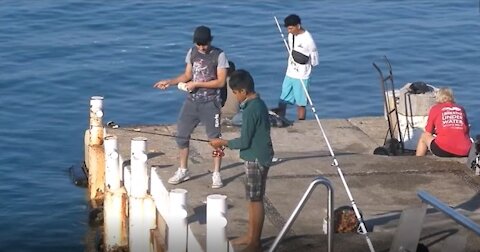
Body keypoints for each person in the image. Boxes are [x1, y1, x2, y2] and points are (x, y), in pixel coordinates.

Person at [153, 25, 229, 188]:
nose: (202, 48)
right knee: (181, 135)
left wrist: (197, 83)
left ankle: (216, 173)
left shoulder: (219, 55)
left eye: (205, 44)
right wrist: (171, 82)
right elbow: (187, 75)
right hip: (192, 101)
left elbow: (221, 81)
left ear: (210, 41)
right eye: (199, 44)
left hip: (211, 103)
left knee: (215, 139)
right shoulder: (192, 52)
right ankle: (183, 169)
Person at [210, 69, 274, 252]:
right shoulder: (258, 104)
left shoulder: (250, 110)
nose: (235, 96)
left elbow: (244, 141)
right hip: (258, 155)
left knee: (256, 200)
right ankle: (250, 236)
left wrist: (223, 142)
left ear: (243, 91)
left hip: (256, 157)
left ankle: (255, 242)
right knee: (252, 199)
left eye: (236, 93)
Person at [274, 14, 318, 120]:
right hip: (290, 72)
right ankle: (281, 119)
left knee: (301, 103)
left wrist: (303, 64)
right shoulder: (291, 36)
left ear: (298, 26)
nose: (289, 31)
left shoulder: (309, 40)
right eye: (287, 28)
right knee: (283, 99)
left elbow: (314, 61)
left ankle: (302, 123)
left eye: (291, 28)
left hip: (302, 75)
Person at [416, 87, 471, 157]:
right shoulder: (461, 108)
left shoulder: (435, 108)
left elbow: (428, 131)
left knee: (424, 136)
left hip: (443, 150)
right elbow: (466, 130)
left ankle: (418, 162)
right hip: (465, 150)